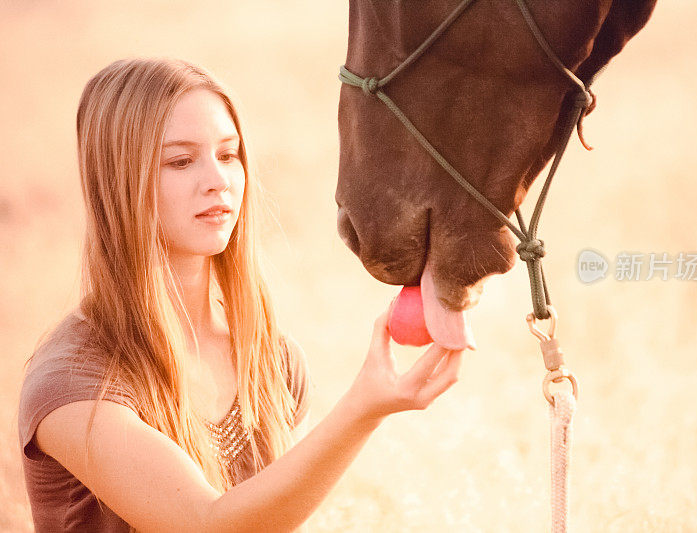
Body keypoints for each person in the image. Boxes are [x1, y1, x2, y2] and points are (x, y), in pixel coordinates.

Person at [16, 57, 463, 532]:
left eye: (228, 155)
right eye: (180, 161)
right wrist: (362, 410)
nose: (218, 180)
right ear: (118, 181)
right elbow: (207, 525)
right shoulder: (72, 384)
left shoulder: (272, 359)